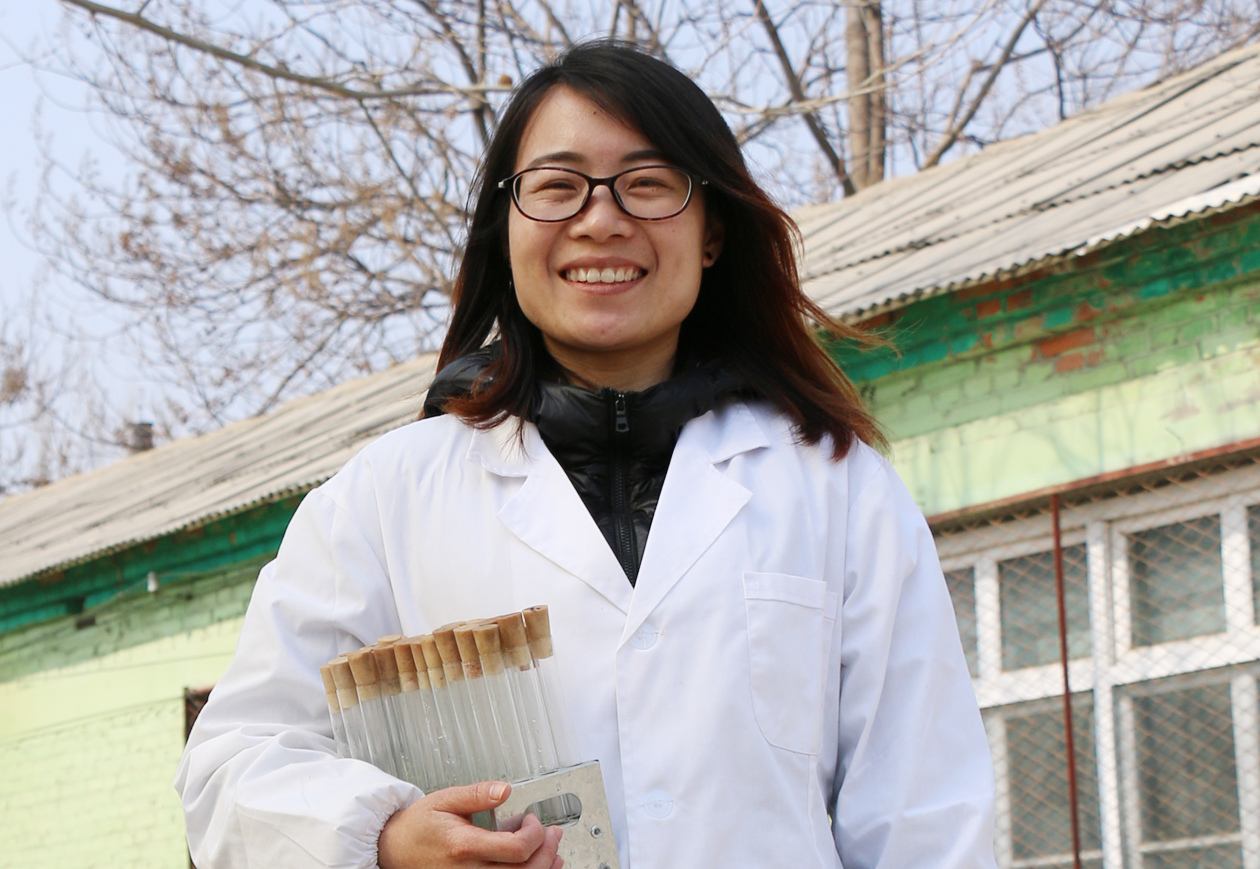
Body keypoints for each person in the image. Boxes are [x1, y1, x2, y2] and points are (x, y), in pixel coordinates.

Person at [176, 42, 997, 869]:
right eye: (557, 186)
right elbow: (231, 770)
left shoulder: (835, 488)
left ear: (712, 230)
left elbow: (927, 816)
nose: (601, 219)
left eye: (649, 183)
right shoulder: (386, 498)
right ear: (506, 228)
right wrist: (385, 836)